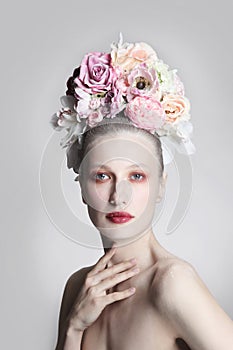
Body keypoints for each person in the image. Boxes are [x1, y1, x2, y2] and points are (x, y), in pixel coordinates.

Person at [50, 34, 233, 350]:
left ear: (160, 186)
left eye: (136, 176)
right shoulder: (78, 288)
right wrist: (73, 330)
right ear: (81, 185)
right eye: (102, 176)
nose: (118, 196)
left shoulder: (172, 284)